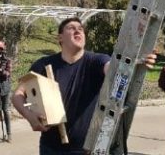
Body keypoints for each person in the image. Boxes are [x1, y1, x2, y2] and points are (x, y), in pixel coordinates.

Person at [12, 17, 156, 155]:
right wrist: (29, 115)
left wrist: (136, 62)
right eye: (71, 28)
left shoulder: (96, 60)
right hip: (50, 148)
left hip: (86, 149)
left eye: (81, 29)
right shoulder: (44, 64)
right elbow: (18, 95)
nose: (78, 30)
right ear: (60, 38)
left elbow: (114, 70)